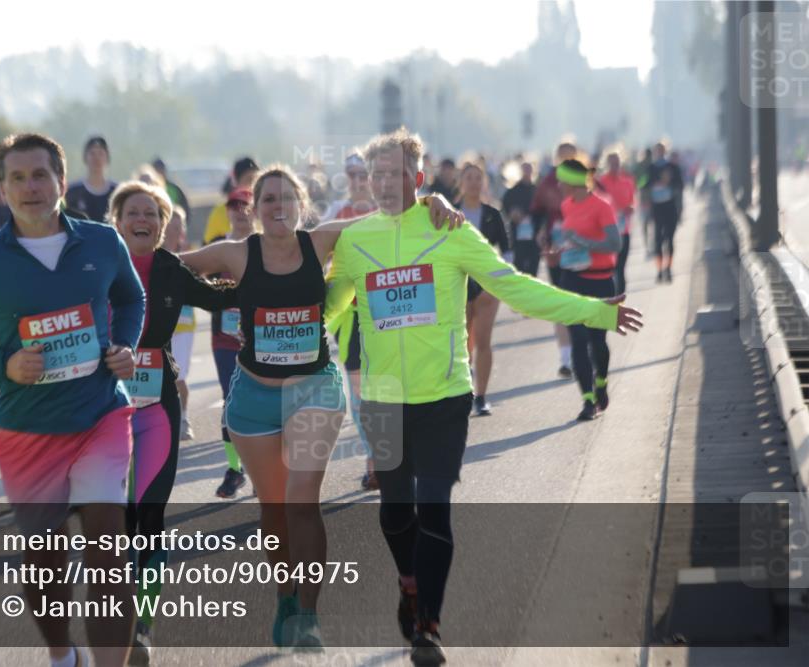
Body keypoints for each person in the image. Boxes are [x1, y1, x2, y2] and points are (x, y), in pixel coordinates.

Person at [326, 129, 642, 666]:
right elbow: (329, 311)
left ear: (418, 178)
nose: (383, 183)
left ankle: (429, 621)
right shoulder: (355, 242)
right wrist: (274, 339)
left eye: (395, 173)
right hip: (383, 399)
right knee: (394, 514)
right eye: (375, 174)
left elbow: (516, 285)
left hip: (446, 394)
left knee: (436, 509)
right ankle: (408, 583)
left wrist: (596, 311)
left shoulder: (450, 232)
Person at [180, 166, 462, 650]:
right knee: (274, 510)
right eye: (268, 199)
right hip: (253, 398)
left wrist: (434, 198)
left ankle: (308, 615)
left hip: (314, 390)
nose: (278, 206)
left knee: (302, 502)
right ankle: (285, 593)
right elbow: (163, 265)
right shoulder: (234, 253)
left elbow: (392, 213)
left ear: (302, 204)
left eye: (287, 198)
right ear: (256, 208)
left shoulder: (321, 242)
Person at [0, 133, 145, 667]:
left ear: (61, 179)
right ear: (1, 186)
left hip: (100, 412)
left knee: (107, 552)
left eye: (40, 175)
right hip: (28, 429)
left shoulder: (102, 242)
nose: (30, 187)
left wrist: (124, 345)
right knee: (43, 559)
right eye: (17, 177)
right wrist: (2, 362)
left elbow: (130, 297)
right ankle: (61, 655)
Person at [108, 180, 236, 663]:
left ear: (164, 227)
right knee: (112, 522)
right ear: (116, 221)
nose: (143, 220)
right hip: (102, 411)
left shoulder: (170, 269)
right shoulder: (98, 266)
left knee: (150, 519)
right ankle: (113, 614)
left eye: (152, 214)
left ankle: (141, 624)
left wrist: (275, 276)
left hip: (157, 408)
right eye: (133, 212)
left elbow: (220, 298)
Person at [322, 152, 380, 489]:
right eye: (352, 175)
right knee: (359, 395)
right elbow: (314, 250)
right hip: (352, 317)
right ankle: (374, 462)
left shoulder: (391, 211)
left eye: (364, 174)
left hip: (389, 314)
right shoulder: (335, 213)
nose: (358, 180)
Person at [555, 158, 625, 420]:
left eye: (562, 180)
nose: (558, 185)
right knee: (578, 340)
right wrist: (559, 251)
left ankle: (601, 383)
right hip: (572, 279)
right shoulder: (565, 206)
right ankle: (587, 400)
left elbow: (615, 244)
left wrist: (583, 243)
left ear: (573, 182)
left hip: (601, 279)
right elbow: (571, 241)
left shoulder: (602, 206)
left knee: (597, 341)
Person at [208, 187, 256, 499]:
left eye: (244, 204)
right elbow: (194, 279)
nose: (239, 210)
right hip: (223, 338)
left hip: (260, 338)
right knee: (231, 401)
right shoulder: (216, 247)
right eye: (233, 205)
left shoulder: (264, 246)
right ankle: (235, 469)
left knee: (259, 403)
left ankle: (262, 466)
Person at [456, 161, 509, 417]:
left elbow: (506, 249)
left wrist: (504, 278)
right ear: (461, 182)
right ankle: (464, 390)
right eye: (469, 178)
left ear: (484, 182)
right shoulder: (449, 212)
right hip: (459, 284)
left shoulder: (492, 213)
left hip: (486, 285)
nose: (474, 182)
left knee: (484, 341)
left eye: (478, 178)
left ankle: (482, 396)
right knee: (462, 341)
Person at [532, 142, 578, 379]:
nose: (566, 159)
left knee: (581, 302)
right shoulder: (548, 181)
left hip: (582, 252)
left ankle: (582, 352)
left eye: (570, 155)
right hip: (556, 250)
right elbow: (537, 210)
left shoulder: (586, 178)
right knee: (560, 302)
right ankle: (566, 359)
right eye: (562, 156)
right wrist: (540, 230)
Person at [164, 206, 198, 440]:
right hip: (158, 326)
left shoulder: (191, 259)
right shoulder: (149, 256)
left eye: (177, 227)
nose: (172, 231)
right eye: (169, 225)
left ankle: (183, 418)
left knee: (179, 375)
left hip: (183, 325)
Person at [595, 152, 636, 294]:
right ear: (606, 164)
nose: (614, 166)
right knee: (611, 267)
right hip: (607, 232)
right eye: (611, 163)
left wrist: (630, 209)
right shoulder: (601, 183)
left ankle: (620, 298)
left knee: (621, 268)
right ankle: (612, 297)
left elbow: (631, 202)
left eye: (617, 163)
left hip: (624, 230)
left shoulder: (627, 182)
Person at [647, 142, 684, 283]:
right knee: (657, 241)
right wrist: (654, 184)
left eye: (662, 151)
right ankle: (659, 270)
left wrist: (669, 183)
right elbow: (644, 183)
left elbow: (680, 185)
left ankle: (668, 268)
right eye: (657, 151)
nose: (659, 153)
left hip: (671, 207)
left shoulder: (673, 167)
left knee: (670, 240)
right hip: (657, 208)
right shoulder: (651, 168)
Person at [204, 157, 259, 244]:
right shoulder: (219, 212)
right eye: (249, 179)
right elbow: (207, 245)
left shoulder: (265, 210)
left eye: (256, 181)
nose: (242, 211)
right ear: (235, 181)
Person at [64, 136, 118, 223]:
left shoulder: (117, 192)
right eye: (92, 153)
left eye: (101, 153)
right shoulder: (72, 192)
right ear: (85, 157)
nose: (96, 158)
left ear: (107, 158)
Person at [502, 161, 540, 277]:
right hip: (517, 236)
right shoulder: (512, 191)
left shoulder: (537, 190)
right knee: (518, 268)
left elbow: (543, 210)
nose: (527, 173)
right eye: (525, 170)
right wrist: (512, 214)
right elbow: (505, 207)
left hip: (534, 236)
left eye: (529, 170)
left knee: (533, 268)